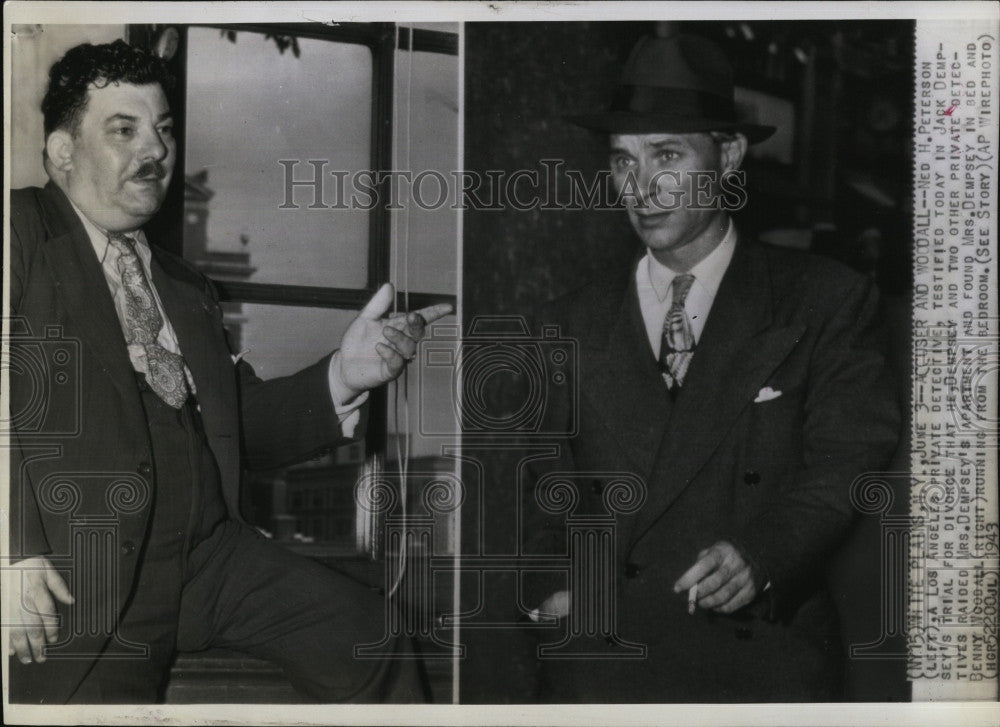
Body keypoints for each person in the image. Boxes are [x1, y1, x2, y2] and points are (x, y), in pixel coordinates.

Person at [6, 39, 450, 704]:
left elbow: (240, 429)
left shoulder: (185, 286)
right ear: (63, 151)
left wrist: (346, 373)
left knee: (371, 634)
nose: (153, 151)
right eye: (122, 130)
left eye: (162, 130)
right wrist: (12, 551)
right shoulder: (19, 233)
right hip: (88, 577)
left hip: (212, 562)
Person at [521, 33, 900, 702]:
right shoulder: (564, 322)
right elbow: (540, 484)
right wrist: (550, 589)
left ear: (727, 157)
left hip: (759, 666)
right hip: (605, 670)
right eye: (622, 161)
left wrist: (764, 553)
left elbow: (847, 462)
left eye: (667, 154)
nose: (641, 186)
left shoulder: (826, 300)